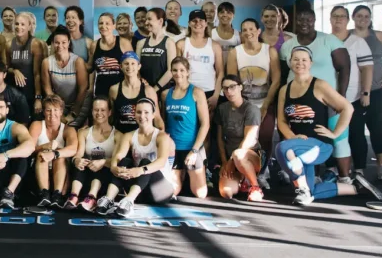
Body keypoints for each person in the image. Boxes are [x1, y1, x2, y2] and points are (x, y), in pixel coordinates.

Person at [275, 47, 362, 205]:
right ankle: (356, 188)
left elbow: (347, 108)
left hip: (319, 145)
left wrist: (335, 134)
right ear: (290, 62)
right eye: (295, 59)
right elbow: (281, 121)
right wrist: (293, 137)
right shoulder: (284, 90)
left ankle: (302, 189)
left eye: (304, 60)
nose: (300, 63)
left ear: (311, 63)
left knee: (282, 148)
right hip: (297, 146)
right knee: (311, 189)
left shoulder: (320, 85)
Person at [349, 4, 382, 181]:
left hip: (377, 91)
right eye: (359, 16)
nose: (363, 19)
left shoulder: (379, 36)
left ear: (370, 19)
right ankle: (359, 169)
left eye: (366, 16)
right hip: (354, 93)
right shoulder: (347, 37)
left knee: (377, 129)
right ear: (353, 17)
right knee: (356, 132)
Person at [97, 98, 176, 217]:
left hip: (160, 191)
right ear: (134, 114)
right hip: (139, 191)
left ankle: (129, 201)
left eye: (146, 112)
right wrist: (114, 166)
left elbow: (161, 161)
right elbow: (119, 155)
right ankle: (109, 199)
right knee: (124, 161)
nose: (142, 116)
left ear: (153, 115)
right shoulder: (129, 135)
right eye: (139, 112)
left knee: (145, 162)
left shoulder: (161, 136)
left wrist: (141, 170)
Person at [330, 5, 375, 181]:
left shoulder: (357, 42)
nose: (338, 19)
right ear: (330, 19)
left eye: (342, 16)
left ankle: (359, 169)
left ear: (348, 20)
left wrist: (366, 93)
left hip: (353, 97)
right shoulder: (325, 40)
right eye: (335, 16)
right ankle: (333, 168)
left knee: (356, 134)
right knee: (332, 134)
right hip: (329, 98)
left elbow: (367, 69)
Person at [228, 17, 281, 153]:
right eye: (244, 30)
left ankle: (265, 164)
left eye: (251, 29)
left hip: (266, 102)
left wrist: (265, 105)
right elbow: (232, 82)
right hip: (244, 104)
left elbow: (276, 80)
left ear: (258, 31)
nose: (248, 32)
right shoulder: (235, 52)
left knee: (265, 136)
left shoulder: (270, 51)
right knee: (245, 139)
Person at [161, 56, 211, 199]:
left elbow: (205, 124)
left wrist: (194, 151)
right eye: (175, 70)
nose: (178, 73)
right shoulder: (165, 94)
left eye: (182, 70)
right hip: (173, 148)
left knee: (200, 193)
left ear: (188, 72)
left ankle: (193, 172)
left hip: (192, 147)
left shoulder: (197, 92)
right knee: (171, 192)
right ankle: (180, 173)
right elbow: (164, 123)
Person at [215, 74, 265, 201]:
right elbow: (220, 138)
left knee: (238, 154)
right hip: (230, 159)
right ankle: (243, 180)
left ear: (240, 87)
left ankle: (255, 187)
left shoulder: (251, 109)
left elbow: (250, 139)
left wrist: (232, 160)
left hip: (250, 156)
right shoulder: (222, 109)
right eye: (225, 88)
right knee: (226, 192)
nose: (229, 91)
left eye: (232, 87)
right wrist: (224, 162)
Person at [63, 97, 118, 211]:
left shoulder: (118, 135)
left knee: (101, 161)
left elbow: (117, 161)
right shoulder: (83, 132)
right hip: (85, 179)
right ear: (92, 111)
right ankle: (73, 196)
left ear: (109, 112)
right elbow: (78, 154)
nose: (99, 113)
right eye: (96, 110)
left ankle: (92, 198)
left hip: (104, 181)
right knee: (81, 160)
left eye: (103, 110)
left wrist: (103, 162)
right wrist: (77, 160)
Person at [292, 5, 351, 105]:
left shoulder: (330, 40)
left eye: (308, 20)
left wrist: (341, 97)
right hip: (295, 99)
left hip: (326, 100)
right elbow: (284, 74)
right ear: (295, 21)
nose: (304, 23)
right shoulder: (287, 45)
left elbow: (344, 68)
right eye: (300, 20)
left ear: (314, 20)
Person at [30, 95, 79, 207]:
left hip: (61, 171)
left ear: (61, 112)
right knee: (41, 155)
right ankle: (44, 194)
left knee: (60, 157)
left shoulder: (68, 129)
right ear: (44, 112)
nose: (52, 114)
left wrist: (54, 153)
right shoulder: (37, 125)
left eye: (56, 110)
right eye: (48, 110)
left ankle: (57, 195)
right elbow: (29, 149)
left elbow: (73, 148)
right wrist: (44, 146)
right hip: (38, 169)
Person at [3, 12, 46, 117]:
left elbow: (37, 74)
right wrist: (15, 71)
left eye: (23, 24)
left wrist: (38, 98)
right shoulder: (9, 45)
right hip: (14, 93)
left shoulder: (35, 44)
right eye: (17, 24)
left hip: (31, 93)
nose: (19, 27)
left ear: (29, 26)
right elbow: (6, 68)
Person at [41, 28, 88, 125]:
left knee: (71, 127)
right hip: (58, 105)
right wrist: (58, 112)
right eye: (57, 43)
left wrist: (74, 113)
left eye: (63, 42)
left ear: (69, 43)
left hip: (78, 104)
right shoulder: (46, 62)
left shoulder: (78, 61)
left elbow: (83, 89)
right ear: (53, 44)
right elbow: (48, 90)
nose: (60, 46)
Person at [109, 51, 162, 134]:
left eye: (133, 63)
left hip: (142, 137)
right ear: (121, 66)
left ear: (139, 66)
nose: (129, 67)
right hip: (121, 136)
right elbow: (110, 117)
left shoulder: (148, 91)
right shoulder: (114, 90)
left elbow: (157, 118)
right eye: (126, 63)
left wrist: (162, 133)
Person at [179, 9, 223, 108]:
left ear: (206, 23)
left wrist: (216, 96)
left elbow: (220, 72)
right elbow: (177, 71)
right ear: (189, 23)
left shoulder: (215, 46)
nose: (197, 23)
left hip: (209, 91)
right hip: (187, 91)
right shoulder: (181, 44)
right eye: (194, 20)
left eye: (201, 20)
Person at [89, 12, 132, 98]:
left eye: (107, 23)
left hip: (121, 91)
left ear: (114, 26)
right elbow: (91, 69)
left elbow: (133, 66)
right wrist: (90, 88)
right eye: (101, 23)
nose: (103, 26)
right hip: (101, 92)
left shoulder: (124, 43)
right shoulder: (94, 45)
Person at [137, 7, 175, 90]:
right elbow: (136, 68)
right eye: (146, 19)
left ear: (160, 21)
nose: (146, 22)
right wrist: (144, 86)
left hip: (162, 90)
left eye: (149, 19)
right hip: (144, 89)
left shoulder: (169, 42)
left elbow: (170, 71)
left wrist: (155, 89)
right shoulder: (141, 43)